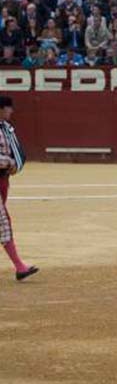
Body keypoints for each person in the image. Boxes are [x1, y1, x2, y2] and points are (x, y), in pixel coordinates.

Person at [0, 95, 38, 280]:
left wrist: (14, 164)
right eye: (9, 108)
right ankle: (20, 267)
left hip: (3, 180)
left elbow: (16, 151)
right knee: (3, 222)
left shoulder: (6, 128)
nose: (12, 111)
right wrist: (9, 162)